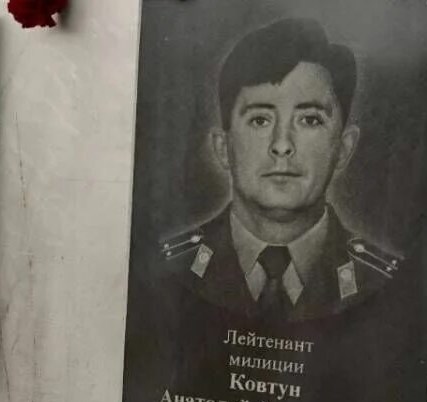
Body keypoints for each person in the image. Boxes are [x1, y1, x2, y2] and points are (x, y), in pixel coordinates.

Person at [159, 17, 399, 322]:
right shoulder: (168, 269)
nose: (282, 145)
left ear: (343, 149)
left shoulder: (386, 283)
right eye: (260, 120)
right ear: (223, 147)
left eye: (310, 120)